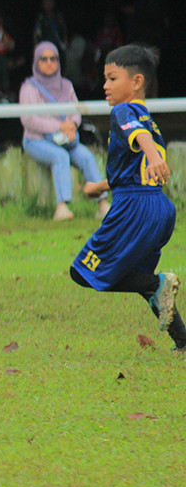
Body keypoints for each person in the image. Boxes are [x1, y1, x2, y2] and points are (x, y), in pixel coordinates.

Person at [72, 45, 186, 353]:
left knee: (81, 271)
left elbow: (141, 139)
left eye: (112, 78)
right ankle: (183, 341)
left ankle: (156, 285)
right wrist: (100, 186)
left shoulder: (124, 111)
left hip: (135, 208)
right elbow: (135, 163)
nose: (105, 86)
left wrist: (152, 156)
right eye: (104, 79)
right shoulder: (149, 118)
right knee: (137, 277)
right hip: (158, 207)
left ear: (136, 82)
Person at [19, 41, 109, 221]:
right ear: (36, 62)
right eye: (44, 59)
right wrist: (59, 126)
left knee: (86, 156)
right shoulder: (29, 87)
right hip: (36, 140)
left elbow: (76, 113)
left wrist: (71, 125)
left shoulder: (66, 85)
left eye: (53, 59)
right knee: (60, 156)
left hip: (66, 138)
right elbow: (29, 120)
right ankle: (62, 208)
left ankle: (103, 205)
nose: (49, 63)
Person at [33, 0, 69, 64]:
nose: (48, 4)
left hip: (59, 47)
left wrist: (65, 40)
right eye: (46, 2)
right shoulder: (41, 18)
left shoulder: (59, 16)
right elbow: (36, 35)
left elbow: (64, 30)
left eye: (50, 1)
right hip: (46, 48)